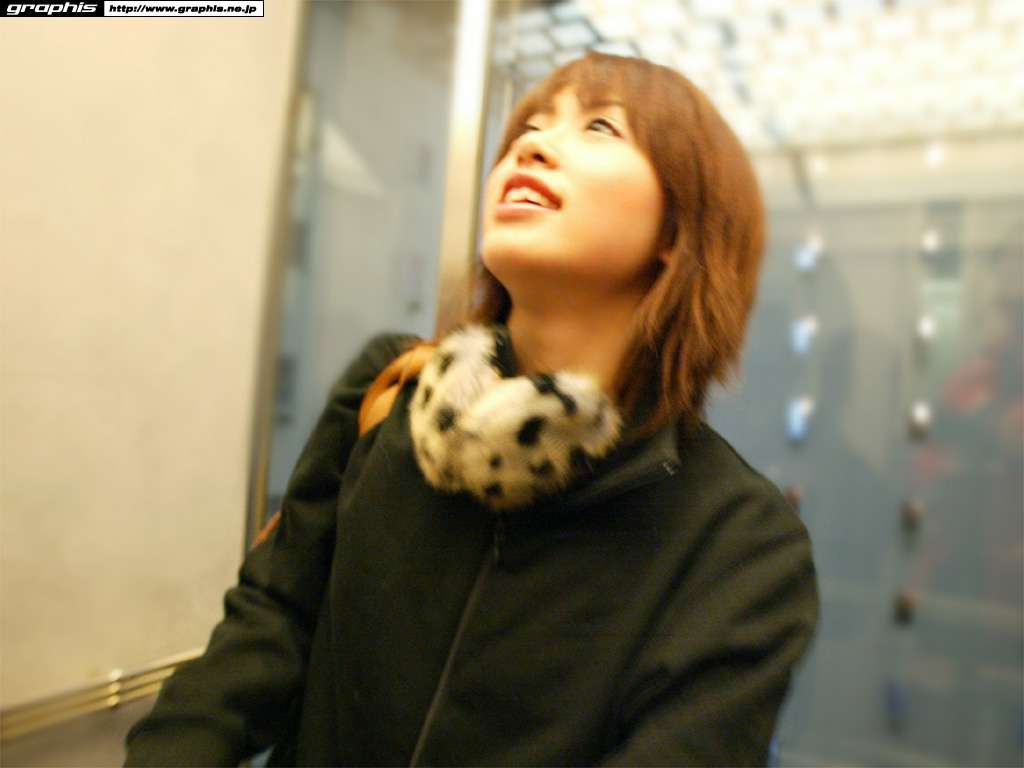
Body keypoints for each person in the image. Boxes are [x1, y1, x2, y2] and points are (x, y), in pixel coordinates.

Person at [124, 51, 820, 767]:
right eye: (530, 126)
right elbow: (268, 628)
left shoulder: (739, 542)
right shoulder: (391, 395)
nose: (531, 146)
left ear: (677, 232)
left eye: (600, 127)